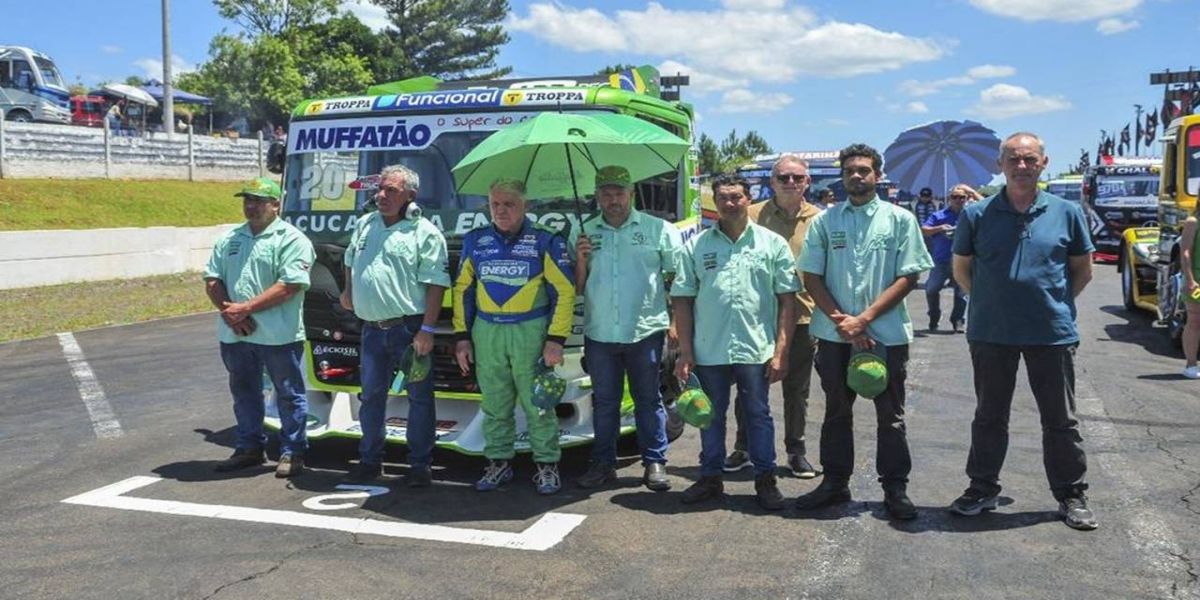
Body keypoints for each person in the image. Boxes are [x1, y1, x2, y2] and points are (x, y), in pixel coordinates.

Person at [948, 132, 1098, 531]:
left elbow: (1082, 269)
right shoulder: (976, 214)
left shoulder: (1066, 212)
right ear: (1001, 165)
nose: (1021, 166)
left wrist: (1056, 303)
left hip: (1050, 333)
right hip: (991, 332)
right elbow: (961, 267)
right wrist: (985, 302)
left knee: (1060, 420)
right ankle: (982, 487)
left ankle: (1071, 494)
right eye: (1013, 159)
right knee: (989, 416)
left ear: (1043, 163)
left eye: (1030, 159)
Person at [795, 143, 933, 521]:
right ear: (842, 175)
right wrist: (844, 321)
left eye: (864, 170)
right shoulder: (826, 222)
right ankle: (835, 483)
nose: (857, 176)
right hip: (834, 334)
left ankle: (895, 488)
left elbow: (910, 276)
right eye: (850, 170)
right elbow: (811, 276)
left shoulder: (899, 220)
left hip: (885, 334)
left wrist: (865, 319)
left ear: (877, 175)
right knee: (837, 411)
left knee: (890, 415)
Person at [671, 173, 798, 510]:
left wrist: (781, 352)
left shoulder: (772, 245)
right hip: (709, 349)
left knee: (758, 414)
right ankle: (710, 478)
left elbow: (788, 301)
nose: (729, 203)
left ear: (748, 199)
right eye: (723, 197)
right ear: (716, 201)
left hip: (756, 349)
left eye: (736, 197)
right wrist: (685, 351)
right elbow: (682, 299)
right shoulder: (696, 247)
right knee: (709, 415)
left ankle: (766, 480)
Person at [453, 179, 575, 495]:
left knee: (539, 403)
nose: (501, 210)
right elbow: (462, 290)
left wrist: (556, 339)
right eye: (495, 204)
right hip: (487, 331)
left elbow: (564, 290)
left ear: (526, 206)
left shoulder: (545, 241)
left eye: (509, 204)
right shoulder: (475, 240)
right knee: (494, 404)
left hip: (530, 331)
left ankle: (547, 466)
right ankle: (498, 463)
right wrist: (462, 337)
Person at [571, 166, 681, 491]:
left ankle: (655, 462)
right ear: (597, 197)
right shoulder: (583, 231)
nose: (613, 199)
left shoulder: (658, 230)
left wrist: (675, 323)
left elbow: (675, 279)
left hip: (645, 330)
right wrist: (580, 260)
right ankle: (603, 465)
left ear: (631, 194)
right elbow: (577, 288)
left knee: (648, 399)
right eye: (606, 193)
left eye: (619, 193)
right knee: (605, 403)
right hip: (600, 332)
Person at [340, 164, 450, 486]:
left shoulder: (425, 232)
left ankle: (419, 465)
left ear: (410, 196)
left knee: (419, 397)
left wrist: (427, 330)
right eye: (380, 189)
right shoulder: (364, 225)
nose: (382, 195)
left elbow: (436, 284)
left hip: (409, 329)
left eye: (391, 191)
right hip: (372, 330)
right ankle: (370, 460)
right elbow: (349, 259)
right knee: (371, 397)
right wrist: (348, 290)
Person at [203, 177, 315, 478]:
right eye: (246, 200)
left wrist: (245, 309)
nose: (250, 206)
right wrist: (230, 311)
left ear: (276, 204)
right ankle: (249, 447)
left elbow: (290, 285)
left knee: (288, 393)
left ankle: (294, 451)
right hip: (234, 333)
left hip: (279, 335)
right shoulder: (230, 238)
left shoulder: (292, 239)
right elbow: (212, 278)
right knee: (244, 392)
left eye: (258, 200)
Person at [724, 154, 820, 479]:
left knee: (797, 391)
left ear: (808, 181)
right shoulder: (751, 214)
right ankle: (743, 446)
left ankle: (796, 451)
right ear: (772, 181)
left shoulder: (820, 220)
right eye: (783, 178)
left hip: (804, 318)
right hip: (756, 318)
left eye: (797, 177)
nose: (790, 183)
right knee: (749, 389)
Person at [921, 184, 972, 332]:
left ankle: (958, 320)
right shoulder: (939, 216)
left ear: (967, 198)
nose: (958, 200)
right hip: (941, 260)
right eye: (955, 197)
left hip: (963, 260)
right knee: (931, 289)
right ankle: (934, 315)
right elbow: (925, 230)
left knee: (962, 294)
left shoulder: (970, 214)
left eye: (962, 197)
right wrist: (940, 228)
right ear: (949, 199)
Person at [1179, 203, 1200, 379]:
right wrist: (1190, 279)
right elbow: (1185, 252)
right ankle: (1191, 364)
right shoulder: (1193, 221)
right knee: (1195, 320)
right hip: (1197, 281)